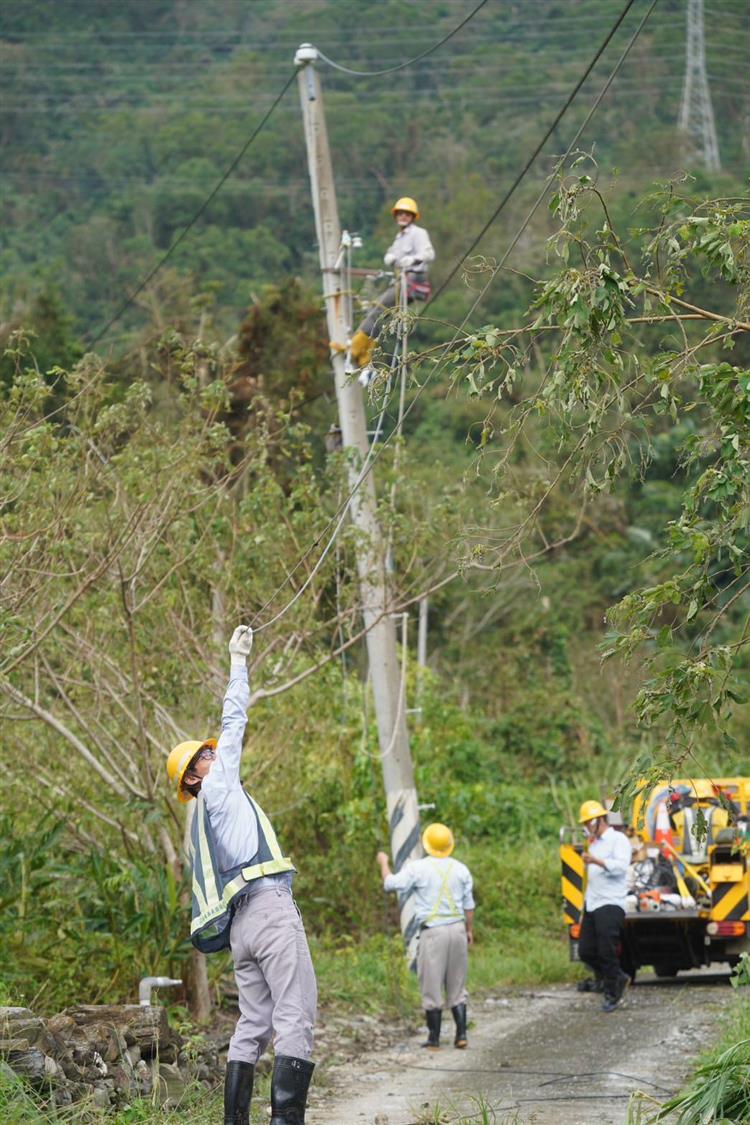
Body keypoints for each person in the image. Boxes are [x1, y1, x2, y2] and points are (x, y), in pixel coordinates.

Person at [166, 625, 316, 1125]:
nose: (214, 754)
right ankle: (286, 1120)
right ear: (194, 777)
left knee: (252, 1023)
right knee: (296, 1014)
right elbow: (235, 717)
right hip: (270, 910)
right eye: (203, 757)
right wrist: (237, 660)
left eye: (210, 752)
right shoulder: (221, 785)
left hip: (241, 929)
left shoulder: (196, 824)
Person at [376, 822, 474, 1050]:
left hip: (433, 933)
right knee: (457, 985)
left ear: (426, 844)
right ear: (450, 844)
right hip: (458, 929)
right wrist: (469, 930)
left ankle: (434, 1038)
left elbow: (390, 884)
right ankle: (461, 1035)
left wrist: (384, 863)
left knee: (431, 984)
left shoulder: (418, 868)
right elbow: (469, 906)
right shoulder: (461, 869)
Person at [349, 196, 435, 377]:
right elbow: (393, 254)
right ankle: (365, 359)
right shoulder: (399, 238)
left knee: (378, 309)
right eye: (400, 214)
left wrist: (414, 259)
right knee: (375, 310)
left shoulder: (418, 233)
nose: (403, 217)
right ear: (396, 216)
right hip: (401, 280)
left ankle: (357, 347)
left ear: (413, 216)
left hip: (413, 280)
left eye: (407, 214)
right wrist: (390, 256)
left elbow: (428, 253)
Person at [576, 800, 632, 1013]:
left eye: (589, 822)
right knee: (586, 951)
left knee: (606, 950)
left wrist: (596, 861)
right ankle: (617, 977)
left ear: (600, 820)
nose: (587, 827)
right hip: (592, 903)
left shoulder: (619, 840)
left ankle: (612, 993)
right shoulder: (594, 843)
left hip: (611, 902)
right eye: (585, 824)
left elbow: (620, 868)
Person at [671, 780, 730, 863]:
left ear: (693, 797)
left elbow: (673, 826)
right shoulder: (721, 814)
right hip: (713, 861)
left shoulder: (680, 814)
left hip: (687, 864)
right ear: (709, 797)